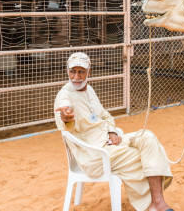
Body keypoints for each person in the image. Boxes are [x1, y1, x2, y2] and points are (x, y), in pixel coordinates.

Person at [54, 52, 174, 211]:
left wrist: (112, 132)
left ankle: (155, 203)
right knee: (140, 156)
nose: (76, 76)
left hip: (109, 141)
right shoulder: (64, 96)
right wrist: (66, 117)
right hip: (95, 155)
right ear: (67, 71)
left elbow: (105, 115)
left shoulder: (89, 90)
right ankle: (155, 204)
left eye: (81, 71)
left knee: (148, 137)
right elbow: (65, 119)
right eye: (72, 71)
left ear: (89, 72)